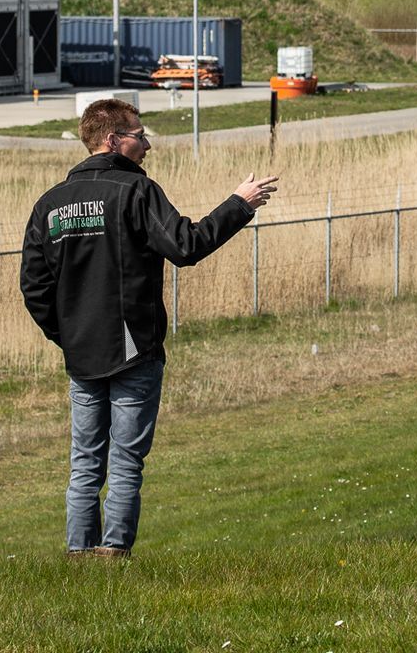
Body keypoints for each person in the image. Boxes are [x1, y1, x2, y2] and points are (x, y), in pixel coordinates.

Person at [20, 98, 278, 558]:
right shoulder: (136, 193)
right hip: (133, 351)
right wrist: (239, 204)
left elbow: (34, 288)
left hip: (82, 355)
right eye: (141, 136)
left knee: (84, 462)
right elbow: (186, 245)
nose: (148, 145)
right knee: (124, 460)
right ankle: (113, 552)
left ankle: (79, 554)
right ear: (113, 140)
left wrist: (68, 334)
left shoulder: (49, 205)